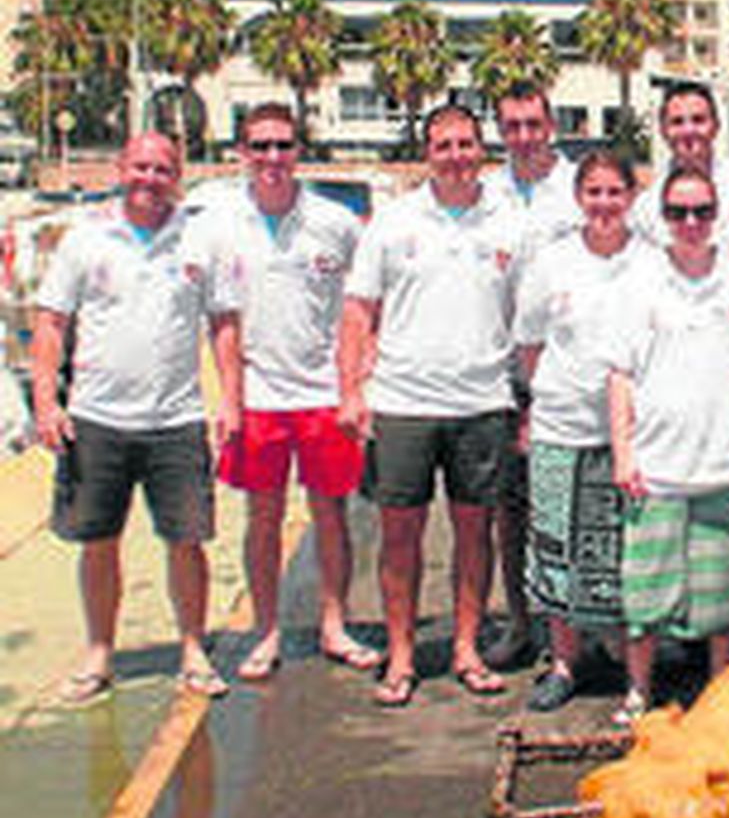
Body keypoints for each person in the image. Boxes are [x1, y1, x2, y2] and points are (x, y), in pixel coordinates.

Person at [32, 131, 242, 704]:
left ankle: (194, 650)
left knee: (187, 539)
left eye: (163, 168)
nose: (150, 177)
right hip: (97, 420)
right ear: (121, 168)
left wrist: (230, 400)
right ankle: (100, 652)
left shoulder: (200, 238)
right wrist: (46, 404)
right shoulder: (85, 238)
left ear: (178, 174)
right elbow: (50, 323)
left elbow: (224, 323)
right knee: (99, 540)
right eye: (141, 166)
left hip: (177, 420)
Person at [338, 104, 524, 707]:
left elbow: (529, 322)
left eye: (466, 143)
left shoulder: (510, 222)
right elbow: (359, 311)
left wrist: (529, 404)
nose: (455, 154)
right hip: (403, 404)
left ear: (481, 149)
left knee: (476, 533)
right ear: (427, 153)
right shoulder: (392, 223)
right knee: (400, 536)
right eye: (443, 144)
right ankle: (402, 655)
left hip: (483, 402)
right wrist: (351, 391)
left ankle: (467, 648)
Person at [200, 103, 375, 681]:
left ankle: (333, 623)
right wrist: (227, 398)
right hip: (257, 397)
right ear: (243, 153)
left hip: (326, 392)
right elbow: (216, 316)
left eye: (283, 145)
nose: (273, 157)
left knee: (331, 514)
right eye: (261, 146)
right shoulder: (221, 223)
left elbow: (366, 302)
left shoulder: (336, 222)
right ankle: (267, 629)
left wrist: (360, 381)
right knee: (263, 518)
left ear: (300, 150)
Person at [607, 165, 729, 721]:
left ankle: (717, 691)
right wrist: (623, 454)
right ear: (662, 219)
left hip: (724, 463)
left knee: (722, 596)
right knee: (645, 594)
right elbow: (620, 375)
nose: (690, 222)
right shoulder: (639, 281)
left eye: (701, 211)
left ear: (716, 214)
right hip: (655, 466)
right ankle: (638, 690)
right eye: (679, 212)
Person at [519, 150, 649, 713]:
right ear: (579, 198)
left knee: (626, 553)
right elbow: (529, 346)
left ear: (631, 197)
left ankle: (633, 666)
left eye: (613, 193)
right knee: (556, 550)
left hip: (633, 435)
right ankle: (565, 662)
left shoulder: (653, 261)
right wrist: (545, 402)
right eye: (593, 193)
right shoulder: (551, 263)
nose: (603, 204)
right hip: (561, 428)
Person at [481, 84, 581, 671]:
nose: (523, 136)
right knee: (509, 512)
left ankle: (583, 630)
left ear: (551, 125)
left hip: (567, 380)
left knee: (579, 509)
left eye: (532, 124)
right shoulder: (484, 194)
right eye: (512, 125)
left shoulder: (576, 190)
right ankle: (522, 625)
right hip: (498, 379)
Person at [631, 79, 729, 246]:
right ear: (663, 130)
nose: (688, 130)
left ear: (716, 126)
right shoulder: (647, 207)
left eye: (698, 120)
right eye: (677, 122)